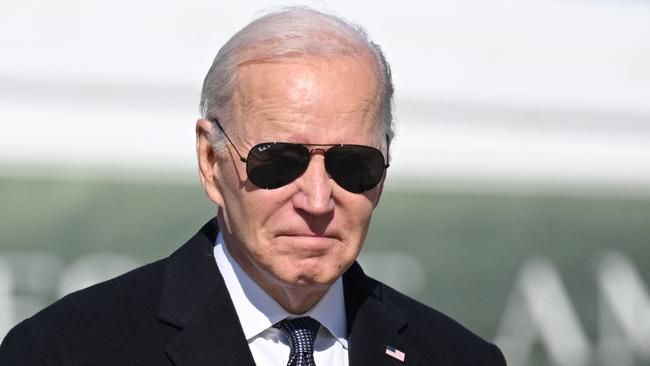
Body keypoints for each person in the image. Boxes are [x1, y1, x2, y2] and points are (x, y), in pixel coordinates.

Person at [0, 7, 506, 366]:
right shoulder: (65, 351)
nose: (317, 200)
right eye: (278, 161)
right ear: (210, 161)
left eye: (353, 165)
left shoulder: (458, 356)